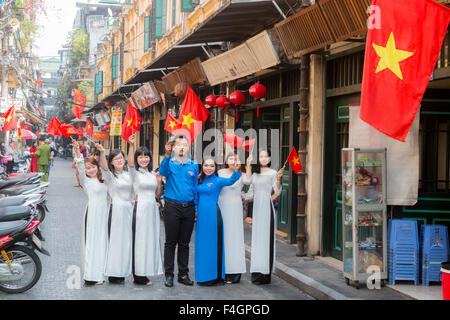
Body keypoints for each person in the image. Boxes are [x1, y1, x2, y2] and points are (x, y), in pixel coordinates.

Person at [159, 135, 198, 288]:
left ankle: (183, 274)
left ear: (188, 148)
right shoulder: (170, 163)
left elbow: (194, 188)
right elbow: (162, 171)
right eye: (179, 145)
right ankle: (169, 274)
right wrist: (166, 155)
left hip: (188, 208)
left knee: (184, 243)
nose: (182, 147)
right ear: (174, 148)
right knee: (170, 242)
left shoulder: (193, 165)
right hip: (172, 207)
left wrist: (195, 207)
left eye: (184, 145)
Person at [195, 158, 241, 286]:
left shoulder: (218, 180)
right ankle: (203, 275)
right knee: (202, 245)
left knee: (214, 245)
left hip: (214, 215)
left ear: (215, 168)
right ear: (202, 166)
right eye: (206, 165)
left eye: (211, 166)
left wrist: (237, 170)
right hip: (201, 217)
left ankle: (214, 276)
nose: (208, 168)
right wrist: (195, 210)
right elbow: (196, 198)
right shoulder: (198, 180)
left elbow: (232, 180)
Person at [127, 134, 164, 285]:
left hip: (152, 210)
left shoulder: (151, 174)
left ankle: (146, 270)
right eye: (140, 157)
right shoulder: (134, 173)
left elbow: (157, 194)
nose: (144, 159)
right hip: (140, 209)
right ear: (136, 159)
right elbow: (129, 163)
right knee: (139, 241)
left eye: (146, 156)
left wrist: (159, 182)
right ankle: (138, 275)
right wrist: (131, 145)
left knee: (150, 240)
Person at [243, 149, 284, 285]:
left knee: (267, 240)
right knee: (257, 240)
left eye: (266, 156)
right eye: (261, 156)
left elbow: (277, 191)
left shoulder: (273, 173)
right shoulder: (254, 174)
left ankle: (266, 274)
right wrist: (248, 164)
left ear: (270, 158)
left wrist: (278, 178)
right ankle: (257, 272)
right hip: (257, 210)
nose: (264, 159)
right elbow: (249, 189)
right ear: (257, 159)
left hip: (267, 208)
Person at [72, 140, 109, 286]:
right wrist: (77, 151)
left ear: (97, 167)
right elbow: (80, 166)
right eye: (88, 168)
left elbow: (107, 170)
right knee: (92, 243)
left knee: (102, 243)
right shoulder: (85, 181)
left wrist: (102, 152)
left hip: (104, 214)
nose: (91, 170)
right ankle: (90, 275)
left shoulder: (104, 179)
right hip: (92, 214)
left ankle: (100, 273)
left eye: (93, 167)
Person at [97, 144, 134, 284]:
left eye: (121, 158)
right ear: (111, 161)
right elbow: (104, 168)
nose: (119, 160)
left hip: (128, 211)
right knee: (115, 242)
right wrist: (102, 153)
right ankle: (113, 272)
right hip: (116, 210)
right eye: (116, 158)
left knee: (125, 242)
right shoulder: (111, 176)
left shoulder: (129, 174)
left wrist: (131, 146)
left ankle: (122, 271)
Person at [217, 152, 251, 284]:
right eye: (231, 158)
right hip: (222, 207)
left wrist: (248, 163)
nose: (233, 161)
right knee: (223, 238)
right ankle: (223, 271)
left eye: (236, 159)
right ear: (226, 160)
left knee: (235, 239)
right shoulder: (220, 173)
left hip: (236, 208)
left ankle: (235, 272)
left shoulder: (242, 175)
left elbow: (249, 181)